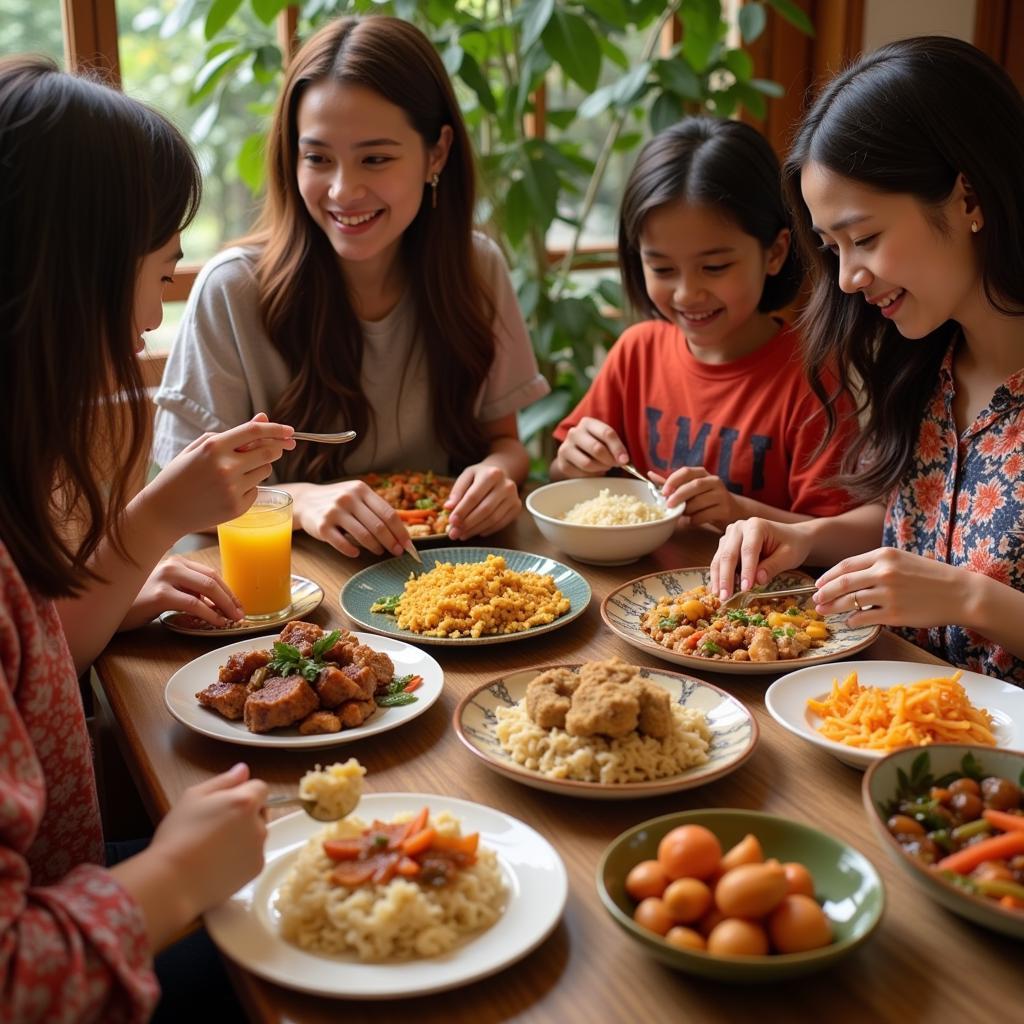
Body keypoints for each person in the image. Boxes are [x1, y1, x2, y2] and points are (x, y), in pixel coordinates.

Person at [0, 55, 295, 1021]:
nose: (154, 312)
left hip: (67, 882)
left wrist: (126, 580)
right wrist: (173, 875)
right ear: (65, 272)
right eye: (156, 271)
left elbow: (35, 651)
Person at [153, 15, 549, 558]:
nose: (344, 190)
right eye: (317, 158)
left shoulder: (476, 268)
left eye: (376, 158)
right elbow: (186, 502)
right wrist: (300, 501)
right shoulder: (233, 290)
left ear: (436, 153)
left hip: (441, 577)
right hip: (287, 594)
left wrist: (497, 473)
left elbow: (503, 440)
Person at [709, 36, 1024, 684]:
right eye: (831, 248)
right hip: (883, 724)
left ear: (968, 198)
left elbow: (956, 577)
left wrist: (972, 600)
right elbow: (917, 527)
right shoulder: (925, 366)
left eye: (866, 238)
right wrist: (802, 538)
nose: (848, 277)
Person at [550, 117, 856, 529]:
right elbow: (561, 475)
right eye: (661, 268)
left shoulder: (811, 376)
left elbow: (845, 533)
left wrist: (740, 511)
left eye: (714, 267)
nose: (686, 294)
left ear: (775, 253)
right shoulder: (636, 352)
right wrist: (574, 463)